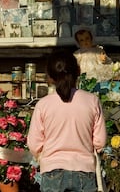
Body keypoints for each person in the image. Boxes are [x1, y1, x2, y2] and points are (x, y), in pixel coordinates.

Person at [27, 50, 107, 192]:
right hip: (84, 171)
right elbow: (100, 142)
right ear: (78, 70)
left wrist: (44, 156)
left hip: (52, 172)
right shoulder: (92, 101)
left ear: (50, 77)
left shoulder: (43, 105)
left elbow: (34, 143)